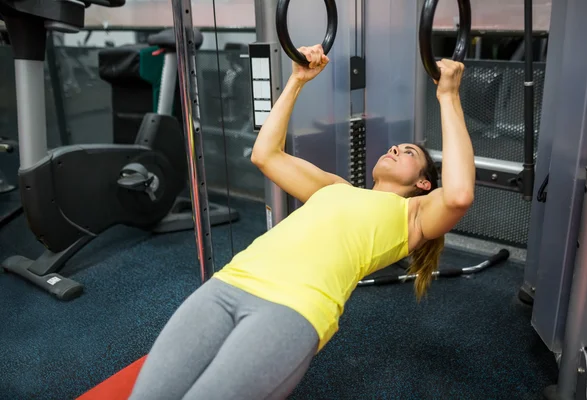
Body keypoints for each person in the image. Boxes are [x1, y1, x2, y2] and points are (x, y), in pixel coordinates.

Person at [129, 44, 475, 400]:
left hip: (293, 307)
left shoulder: (414, 217)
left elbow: (459, 194)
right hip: (230, 283)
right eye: (396, 146)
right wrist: (297, 80)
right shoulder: (335, 187)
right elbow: (265, 154)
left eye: (409, 152)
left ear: (423, 184)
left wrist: (448, 96)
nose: (395, 149)